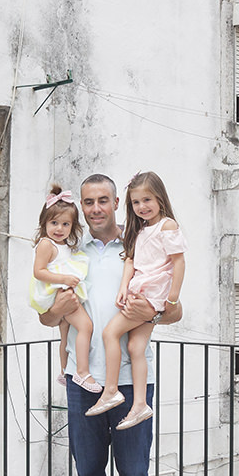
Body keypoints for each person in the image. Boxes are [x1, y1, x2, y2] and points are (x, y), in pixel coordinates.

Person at [36, 173, 183, 476]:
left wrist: (153, 314)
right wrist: (56, 310)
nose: (96, 208)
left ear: (117, 202)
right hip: (86, 382)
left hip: (132, 385)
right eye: (88, 201)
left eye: (103, 200)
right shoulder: (69, 250)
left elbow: (173, 311)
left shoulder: (139, 245)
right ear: (80, 205)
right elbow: (48, 317)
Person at [86, 170, 186, 431]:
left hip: (151, 294)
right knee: (135, 347)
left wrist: (171, 299)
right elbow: (131, 260)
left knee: (110, 333)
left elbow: (179, 262)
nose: (142, 207)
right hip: (141, 291)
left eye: (147, 200)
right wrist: (122, 287)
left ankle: (110, 390)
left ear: (160, 200)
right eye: (136, 202)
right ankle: (140, 404)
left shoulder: (167, 226)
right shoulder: (140, 230)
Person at [28, 184, 99, 391]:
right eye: (54, 223)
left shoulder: (65, 246)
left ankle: (64, 369)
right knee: (86, 327)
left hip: (63, 291)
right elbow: (38, 272)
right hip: (60, 293)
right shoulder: (45, 245)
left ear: (72, 226)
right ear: (45, 223)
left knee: (66, 335)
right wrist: (65, 279)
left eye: (65, 224)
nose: (59, 229)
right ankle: (83, 373)